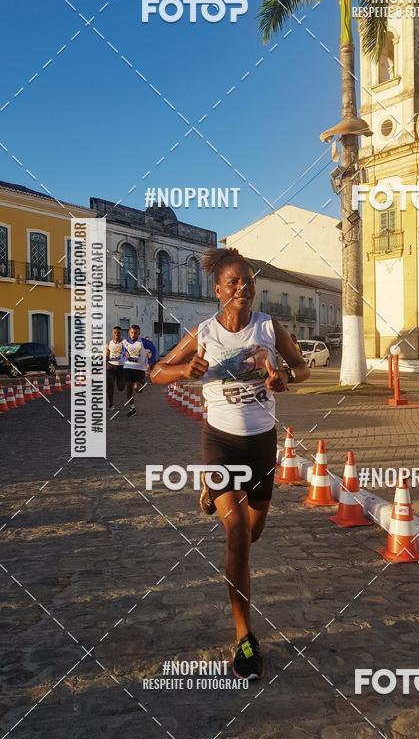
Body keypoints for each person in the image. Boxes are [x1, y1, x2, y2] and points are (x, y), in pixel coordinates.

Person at [152, 247, 309, 680]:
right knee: (237, 533)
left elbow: (301, 369)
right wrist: (183, 372)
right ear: (218, 289)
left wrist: (284, 378)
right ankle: (245, 638)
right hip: (219, 442)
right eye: (234, 282)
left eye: (249, 281)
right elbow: (156, 371)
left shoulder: (268, 327)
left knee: (253, 533)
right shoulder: (203, 332)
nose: (244, 287)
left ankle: (209, 493)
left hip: (261, 443)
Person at [122, 324, 149, 417]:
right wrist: (124, 354)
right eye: (132, 332)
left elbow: (154, 349)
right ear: (129, 333)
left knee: (137, 388)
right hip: (128, 368)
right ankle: (132, 408)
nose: (133, 335)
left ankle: (140, 386)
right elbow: (121, 353)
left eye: (136, 333)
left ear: (139, 333)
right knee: (129, 388)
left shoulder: (143, 342)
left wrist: (151, 362)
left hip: (139, 369)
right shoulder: (125, 342)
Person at [105, 326, 125, 410]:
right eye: (115, 333)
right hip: (111, 366)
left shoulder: (125, 343)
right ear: (112, 333)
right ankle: (111, 404)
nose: (117, 334)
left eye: (118, 333)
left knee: (121, 387)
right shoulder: (109, 343)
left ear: (121, 334)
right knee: (110, 385)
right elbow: (107, 353)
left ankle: (122, 384)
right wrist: (106, 359)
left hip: (121, 367)